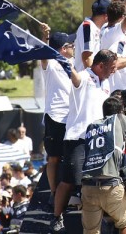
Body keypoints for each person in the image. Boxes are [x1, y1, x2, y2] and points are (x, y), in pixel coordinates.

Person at [51, 50, 118, 233]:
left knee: (98, 181)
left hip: (98, 139)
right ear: (101, 65)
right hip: (77, 138)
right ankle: (56, 217)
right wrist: (67, 65)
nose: (114, 70)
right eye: (112, 67)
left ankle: (100, 220)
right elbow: (75, 77)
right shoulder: (83, 77)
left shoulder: (106, 82)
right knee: (69, 181)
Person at [80, 96, 126, 234]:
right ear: (120, 112)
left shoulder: (92, 126)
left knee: (91, 230)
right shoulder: (120, 119)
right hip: (111, 186)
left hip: (88, 187)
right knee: (124, 223)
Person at [40, 30, 75, 201]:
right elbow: (43, 54)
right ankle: (53, 192)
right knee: (54, 157)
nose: (73, 46)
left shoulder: (73, 63)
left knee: (71, 156)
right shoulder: (51, 64)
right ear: (62, 48)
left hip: (73, 115)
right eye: (70, 45)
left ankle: (70, 190)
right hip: (55, 115)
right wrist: (45, 36)